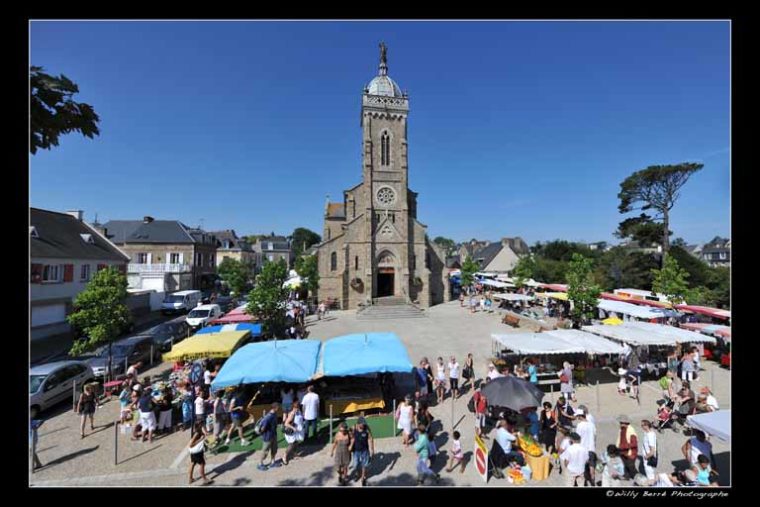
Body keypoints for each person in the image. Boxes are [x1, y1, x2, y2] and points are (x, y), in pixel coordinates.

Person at [349, 416, 374, 486]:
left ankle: (363, 477)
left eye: (364, 424)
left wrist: (372, 450)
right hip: (356, 451)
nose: (363, 425)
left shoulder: (366, 429)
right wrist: (351, 439)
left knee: (364, 465)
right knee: (355, 465)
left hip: (365, 450)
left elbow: (371, 438)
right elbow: (349, 432)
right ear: (358, 423)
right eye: (362, 424)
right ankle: (357, 473)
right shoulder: (354, 427)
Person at [575, 410, 596, 486]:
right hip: (591, 448)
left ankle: (584, 483)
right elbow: (594, 436)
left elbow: (577, 438)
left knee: (582, 468)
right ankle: (593, 482)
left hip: (583, 449)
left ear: (580, 416)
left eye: (577, 416)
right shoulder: (592, 425)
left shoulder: (579, 425)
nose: (577, 417)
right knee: (592, 467)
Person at [257, 403, 281, 471]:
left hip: (274, 435)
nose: (279, 408)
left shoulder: (274, 414)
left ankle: (272, 462)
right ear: (275, 408)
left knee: (274, 449)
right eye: (278, 407)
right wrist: (261, 433)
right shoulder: (268, 417)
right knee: (265, 451)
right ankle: (260, 464)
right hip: (267, 437)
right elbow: (262, 428)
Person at [616, 414, 638, 479]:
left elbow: (634, 443)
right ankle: (626, 476)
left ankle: (638, 478)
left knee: (631, 467)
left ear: (625, 423)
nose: (620, 424)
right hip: (622, 451)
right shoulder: (621, 429)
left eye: (621, 423)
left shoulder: (631, 430)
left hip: (630, 452)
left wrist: (623, 446)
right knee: (624, 465)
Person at [282, 401, 304, 466]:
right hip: (291, 432)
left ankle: (294, 454)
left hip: (297, 431)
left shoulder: (299, 412)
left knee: (296, 443)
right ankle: (284, 456)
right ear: (293, 407)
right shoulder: (292, 414)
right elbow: (286, 423)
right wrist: (293, 428)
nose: (296, 409)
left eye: (297, 408)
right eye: (295, 408)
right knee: (291, 444)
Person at [639, 420, 658, 484]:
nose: (641, 427)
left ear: (646, 426)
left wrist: (646, 456)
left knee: (649, 470)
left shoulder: (650, 436)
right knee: (650, 469)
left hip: (648, 456)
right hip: (648, 455)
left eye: (642, 425)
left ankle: (651, 482)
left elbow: (652, 450)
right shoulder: (648, 433)